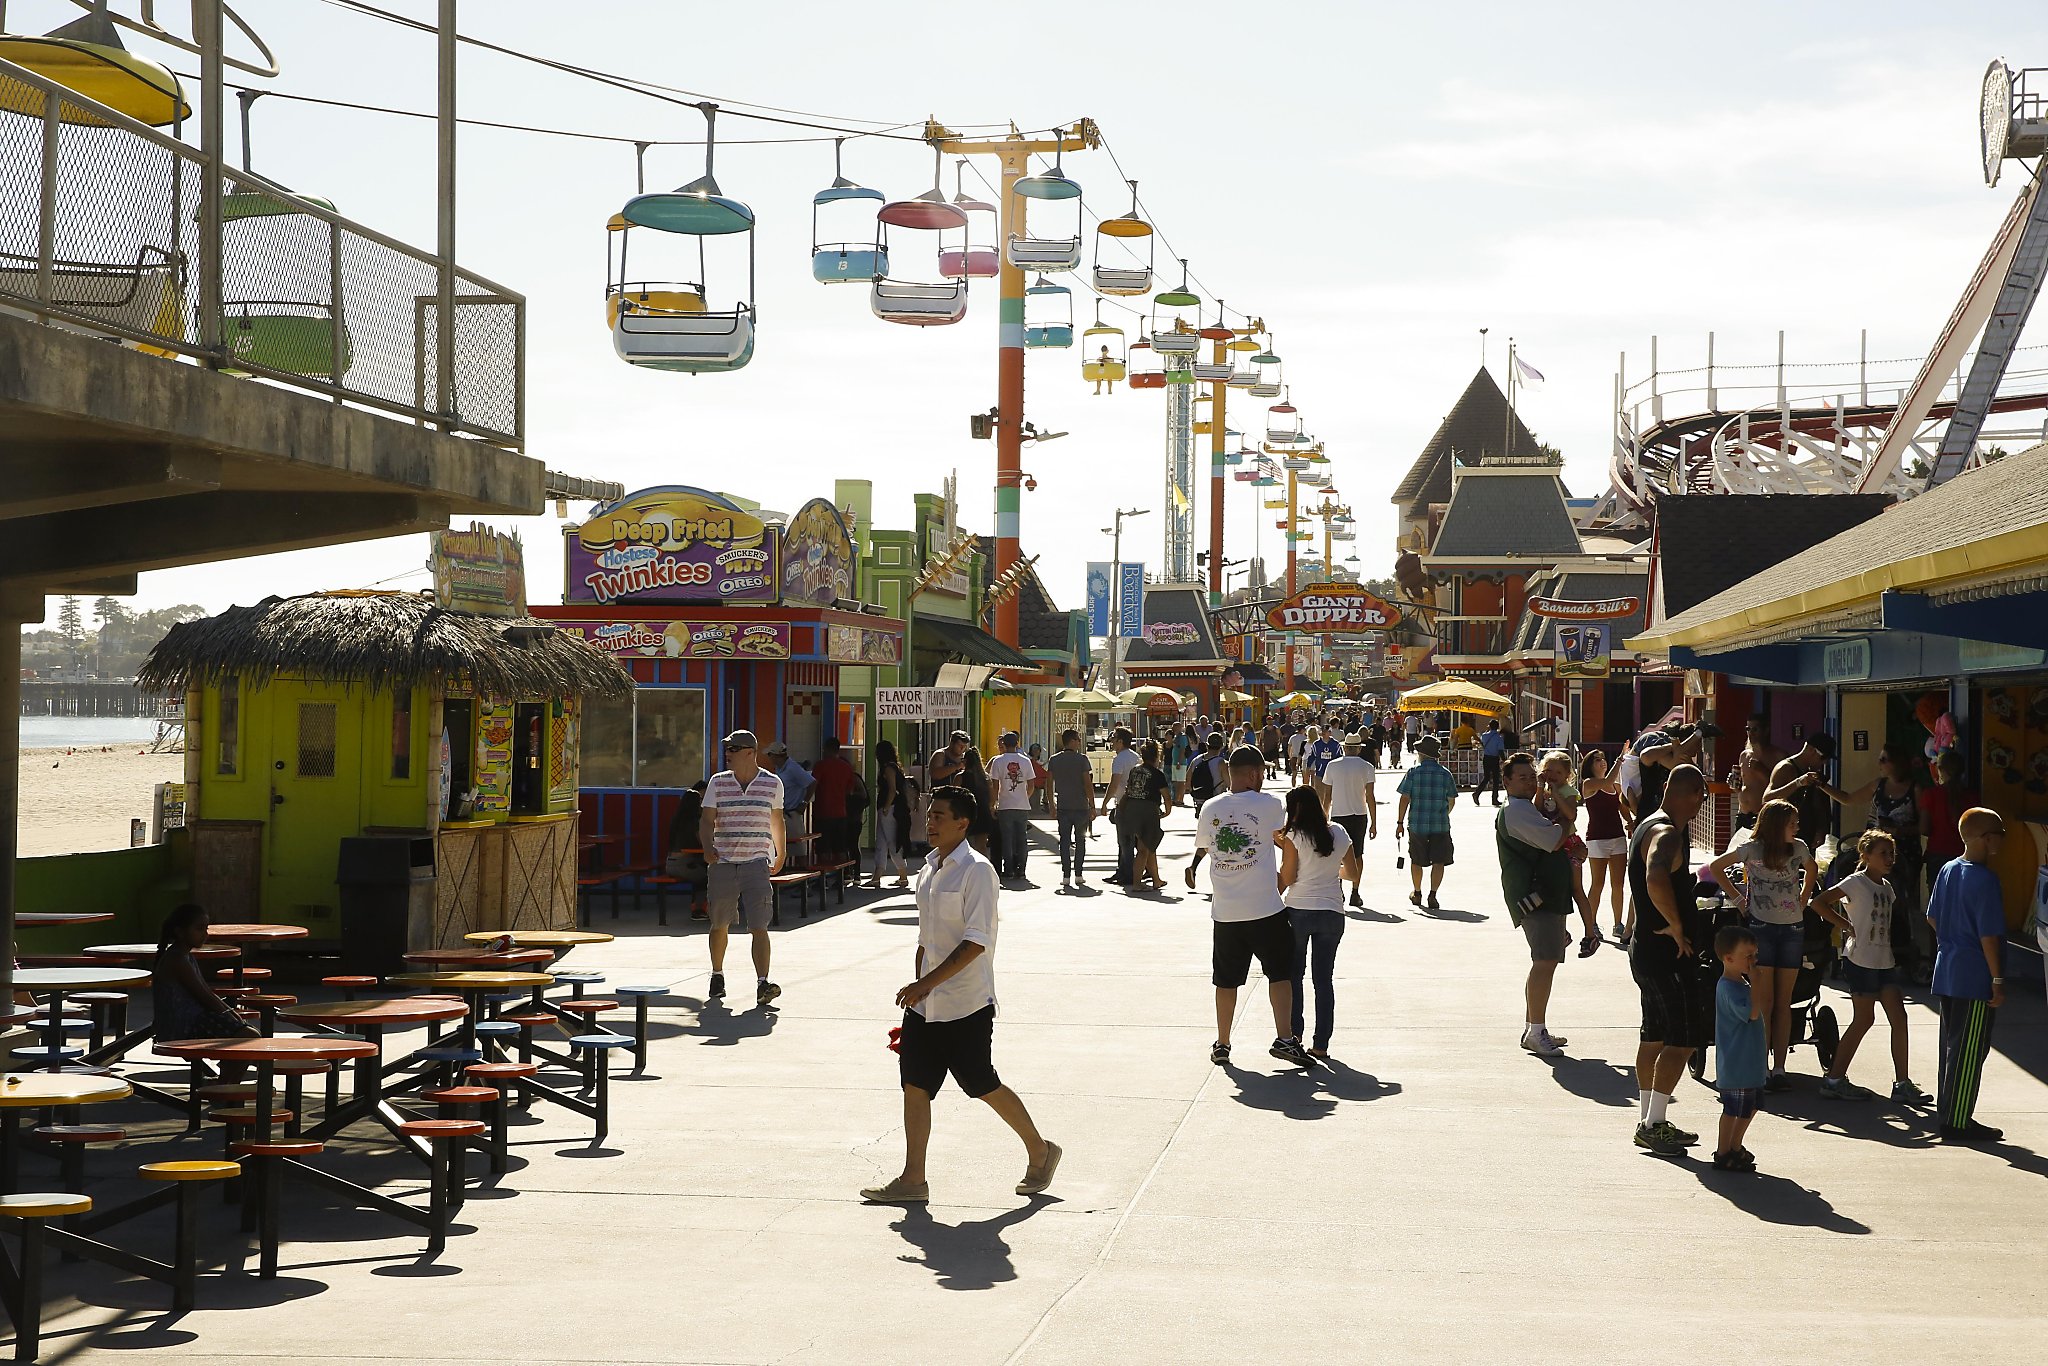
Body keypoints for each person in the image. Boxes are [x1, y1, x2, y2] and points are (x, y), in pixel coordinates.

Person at [860, 784, 1060, 1205]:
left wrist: (924, 984)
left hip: (965, 1004)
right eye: (929, 814)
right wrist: (918, 990)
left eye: (938, 816)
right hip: (925, 1005)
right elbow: (926, 937)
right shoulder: (929, 867)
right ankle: (913, 1179)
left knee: (981, 1083)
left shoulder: (978, 872)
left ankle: (1041, 1151)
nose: (929, 822)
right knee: (915, 1086)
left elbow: (976, 942)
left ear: (962, 823)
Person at [1185, 746, 1318, 1069]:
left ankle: (1223, 1042)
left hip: (1225, 912)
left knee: (1226, 980)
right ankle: (1285, 1038)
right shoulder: (1270, 804)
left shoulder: (1210, 808)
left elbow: (1205, 845)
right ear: (1256, 773)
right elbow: (1282, 836)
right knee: (1280, 974)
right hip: (1265, 908)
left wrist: (1193, 867)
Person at [1810, 831, 1930, 1105]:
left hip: (1884, 961)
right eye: (1882, 853)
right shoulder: (1855, 882)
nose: (1889, 859)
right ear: (1865, 855)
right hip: (1860, 961)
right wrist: (1845, 925)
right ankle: (1834, 1079)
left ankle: (1902, 1083)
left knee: (1899, 1017)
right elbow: (1819, 903)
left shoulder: (1887, 888)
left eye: (1891, 854)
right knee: (1864, 1019)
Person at [1626, 764, 1710, 1157]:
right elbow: (1655, 876)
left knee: (1654, 1035)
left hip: (1646, 949)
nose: (1701, 805)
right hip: (1666, 954)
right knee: (1684, 1039)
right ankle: (1654, 1124)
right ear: (1690, 794)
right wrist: (1676, 924)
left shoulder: (1646, 824)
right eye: (1701, 796)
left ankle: (1649, 1118)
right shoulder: (1666, 833)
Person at [1705, 798, 1816, 1090]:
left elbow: (1812, 868)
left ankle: (1779, 1067)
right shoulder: (1752, 849)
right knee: (1764, 1000)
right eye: (1792, 823)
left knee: (1784, 1001)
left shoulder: (1799, 847)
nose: (1796, 828)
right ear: (1777, 825)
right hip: (1762, 928)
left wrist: (1804, 898)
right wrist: (1740, 900)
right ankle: (1763, 1066)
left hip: (1792, 927)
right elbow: (1716, 866)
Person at [1926, 807, 2009, 1143]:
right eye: (1999, 834)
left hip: (1948, 968)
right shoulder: (1986, 879)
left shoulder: (1948, 869)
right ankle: (1958, 1122)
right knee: (1971, 1049)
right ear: (1984, 839)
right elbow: (1989, 936)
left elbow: (1932, 917)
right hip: (1974, 975)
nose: (2001, 840)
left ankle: (1950, 1114)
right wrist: (1998, 979)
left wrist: (1952, 939)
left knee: (1952, 1046)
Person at [1819, 742, 1924, 974]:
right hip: (1869, 849)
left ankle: (1900, 941)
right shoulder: (1878, 785)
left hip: (1901, 853)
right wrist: (1822, 786)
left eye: (1884, 759)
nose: (1880, 764)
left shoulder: (1914, 789)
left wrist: (1897, 831)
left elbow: (1924, 826)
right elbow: (1847, 798)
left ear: (1896, 762)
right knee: (1848, 872)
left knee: (1898, 899)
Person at [700, 730, 787, 1006]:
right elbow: (706, 819)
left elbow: (777, 820)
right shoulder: (718, 783)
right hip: (723, 862)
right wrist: (706, 847)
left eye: (734, 749)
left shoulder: (772, 783)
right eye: (727, 748)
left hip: (757, 863)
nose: (728, 753)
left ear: (750, 752)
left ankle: (763, 983)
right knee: (719, 924)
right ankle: (717, 974)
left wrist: (781, 852)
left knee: (759, 925)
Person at [1496, 752, 1573, 1057]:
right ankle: (1536, 1030)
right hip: (1535, 897)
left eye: (1533, 776)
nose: (1530, 782)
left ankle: (1534, 1026)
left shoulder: (1525, 807)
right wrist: (1568, 821)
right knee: (1544, 961)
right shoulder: (1517, 811)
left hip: (1542, 895)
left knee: (1546, 961)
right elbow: (1554, 839)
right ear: (1507, 782)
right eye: (1523, 777)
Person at [1279, 785, 1359, 1059]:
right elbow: (1353, 874)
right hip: (1332, 912)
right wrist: (1329, 869)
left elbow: (1288, 877)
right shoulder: (1338, 832)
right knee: (1323, 980)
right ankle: (1321, 1043)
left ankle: (1294, 1034)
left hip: (1298, 909)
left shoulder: (1294, 835)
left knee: (1294, 976)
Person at [152, 903, 259, 1080]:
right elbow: (204, 996)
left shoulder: (186, 956)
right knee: (248, 1037)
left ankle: (224, 1087)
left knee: (249, 1038)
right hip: (181, 1028)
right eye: (199, 929)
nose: (205, 934)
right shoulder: (177, 960)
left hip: (193, 1021)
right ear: (180, 932)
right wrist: (230, 1014)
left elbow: (207, 992)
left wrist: (231, 1014)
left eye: (206, 928)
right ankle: (221, 1089)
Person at [1711, 926, 1766, 1173]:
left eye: (1755, 955)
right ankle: (1723, 1151)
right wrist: (1757, 984)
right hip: (1736, 1065)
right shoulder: (1729, 988)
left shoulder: (1741, 985)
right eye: (1748, 956)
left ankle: (1735, 1145)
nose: (1753, 961)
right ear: (1728, 958)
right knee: (1733, 1110)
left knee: (1750, 1107)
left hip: (1750, 1063)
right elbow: (1752, 1013)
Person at [1536, 750, 1600, 957]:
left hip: (1569, 844)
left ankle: (1590, 934)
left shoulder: (1569, 792)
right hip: (1551, 843)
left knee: (1576, 889)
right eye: (1548, 771)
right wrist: (1540, 788)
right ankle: (1561, 932)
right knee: (1552, 888)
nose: (1552, 775)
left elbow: (1570, 815)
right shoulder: (1544, 792)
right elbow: (1537, 811)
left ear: (1567, 774)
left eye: (1557, 771)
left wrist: (1556, 794)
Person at [1395, 735, 1458, 910]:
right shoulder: (1446, 774)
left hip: (1417, 824)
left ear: (1421, 753)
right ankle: (1433, 894)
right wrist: (1444, 813)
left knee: (1417, 859)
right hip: (1440, 825)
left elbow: (1404, 798)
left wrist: (1400, 822)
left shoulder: (1413, 773)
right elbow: (1452, 799)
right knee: (1439, 860)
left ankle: (1417, 892)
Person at [1579, 750, 1632, 945]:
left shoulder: (1615, 787)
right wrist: (1620, 759)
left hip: (1617, 838)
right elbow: (1608, 781)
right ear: (1589, 765)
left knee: (1618, 884)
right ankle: (1591, 924)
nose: (1602, 762)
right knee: (1597, 884)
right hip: (1597, 839)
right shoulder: (1589, 784)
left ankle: (1618, 924)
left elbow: (1623, 809)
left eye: (1603, 759)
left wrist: (1631, 822)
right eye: (1597, 760)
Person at [1320, 733, 1377, 908]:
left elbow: (1327, 796)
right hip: (1359, 815)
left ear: (1345, 748)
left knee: (1337, 854)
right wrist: (1374, 822)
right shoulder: (1367, 767)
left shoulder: (1333, 766)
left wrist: (1324, 816)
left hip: (1338, 815)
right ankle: (1355, 890)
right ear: (1359, 748)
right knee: (1357, 854)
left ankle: (1338, 889)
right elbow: (1370, 796)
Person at [1762, 732, 1837, 861]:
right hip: (1783, 836)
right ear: (1812, 751)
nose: (1824, 763)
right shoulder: (1786, 768)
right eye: (1823, 758)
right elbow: (1767, 799)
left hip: (1806, 835)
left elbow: (1817, 803)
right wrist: (1797, 783)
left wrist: (1821, 829)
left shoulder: (1812, 772)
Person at [1046, 729, 1098, 889]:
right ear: (1072, 741)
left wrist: (1051, 804)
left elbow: (1049, 784)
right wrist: (1092, 805)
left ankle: (1066, 874)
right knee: (1080, 841)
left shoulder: (1054, 760)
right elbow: (1087, 784)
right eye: (1078, 739)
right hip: (1080, 807)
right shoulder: (1082, 759)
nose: (1079, 742)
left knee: (1064, 841)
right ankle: (1079, 874)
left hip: (1063, 806)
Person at [1117, 739, 1172, 890]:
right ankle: (1136, 883)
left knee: (1149, 846)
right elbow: (1166, 796)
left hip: (1131, 810)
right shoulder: (1157, 774)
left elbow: (1129, 790)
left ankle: (1156, 880)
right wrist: (1168, 810)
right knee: (1143, 849)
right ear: (1157, 756)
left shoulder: (1135, 770)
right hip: (1148, 811)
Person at [985, 731, 1037, 882]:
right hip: (1022, 806)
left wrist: (993, 804)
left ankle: (1008, 870)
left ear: (1004, 744)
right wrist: (1024, 797)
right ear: (1017, 743)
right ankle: (1021, 870)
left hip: (1005, 805)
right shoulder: (1026, 761)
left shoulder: (998, 761)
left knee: (1007, 839)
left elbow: (995, 786)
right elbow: (1031, 784)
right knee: (1022, 838)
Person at [811, 737, 863, 872]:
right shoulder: (846, 767)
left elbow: (812, 785)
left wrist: (805, 801)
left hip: (822, 812)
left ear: (826, 749)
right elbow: (850, 790)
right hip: (841, 813)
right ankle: (841, 876)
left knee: (823, 848)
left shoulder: (820, 766)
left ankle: (823, 877)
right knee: (840, 847)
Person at [866, 739, 912, 889]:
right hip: (890, 808)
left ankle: (903, 875)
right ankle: (877, 876)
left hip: (889, 808)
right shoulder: (895, 767)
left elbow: (892, 789)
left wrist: (886, 807)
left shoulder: (888, 768)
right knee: (881, 842)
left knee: (892, 841)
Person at [1726, 716, 1783, 832]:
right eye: (1748, 729)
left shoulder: (1778, 756)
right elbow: (1745, 784)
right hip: (1743, 814)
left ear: (1766, 730)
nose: (1751, 733)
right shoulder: (1744, 755)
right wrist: (1734, 784)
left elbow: (1781, 787)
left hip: (1763, 816)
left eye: (1755, 729)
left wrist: (1762, 770)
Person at [1105, 727, 1139, 885]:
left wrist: (1105, 802)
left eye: (1114, 738)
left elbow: (1114, 783)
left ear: (1120, 741)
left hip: (1123, 804)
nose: (1111, 741)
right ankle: (1124, 871)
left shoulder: (1119, 759)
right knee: (1131, 841)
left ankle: (1126, 874)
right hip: (1136, 803)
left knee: (1124, 842)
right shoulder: (1136, 757)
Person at [762, 740, 814, 828]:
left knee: (795, 841)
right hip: (783, 814)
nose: (769, 758)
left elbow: (812, 783)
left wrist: (804, 803)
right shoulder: (779, 768)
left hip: (792, 815)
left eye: (769, 755)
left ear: (775, 755)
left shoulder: (792, 768)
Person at [1470, 719, 1507, 806]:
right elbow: (1500, 750)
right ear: (1498, 727)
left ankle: (1477, 793)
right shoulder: (1499, 738)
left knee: (1486, 777)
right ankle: (1494, 799)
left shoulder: (1484, 735)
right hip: (1494, 758)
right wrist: (1504, 760)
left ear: (1489, 726)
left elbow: (1483, 744)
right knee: (1495, 779)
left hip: (1486, 758)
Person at [1304, 725, 1343, 806]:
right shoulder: (1316, 744)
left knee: (1329, 796)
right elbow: (1312, 756)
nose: (1324, 733)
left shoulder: (1335, 744)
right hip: (1320, 773)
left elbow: (1340, 758)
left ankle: (1327, 812)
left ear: (1330, 732)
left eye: (1326, 731)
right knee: (1319, 795)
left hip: (1332, 774)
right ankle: (1321, 814)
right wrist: (1308, 767)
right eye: (1323, 731)